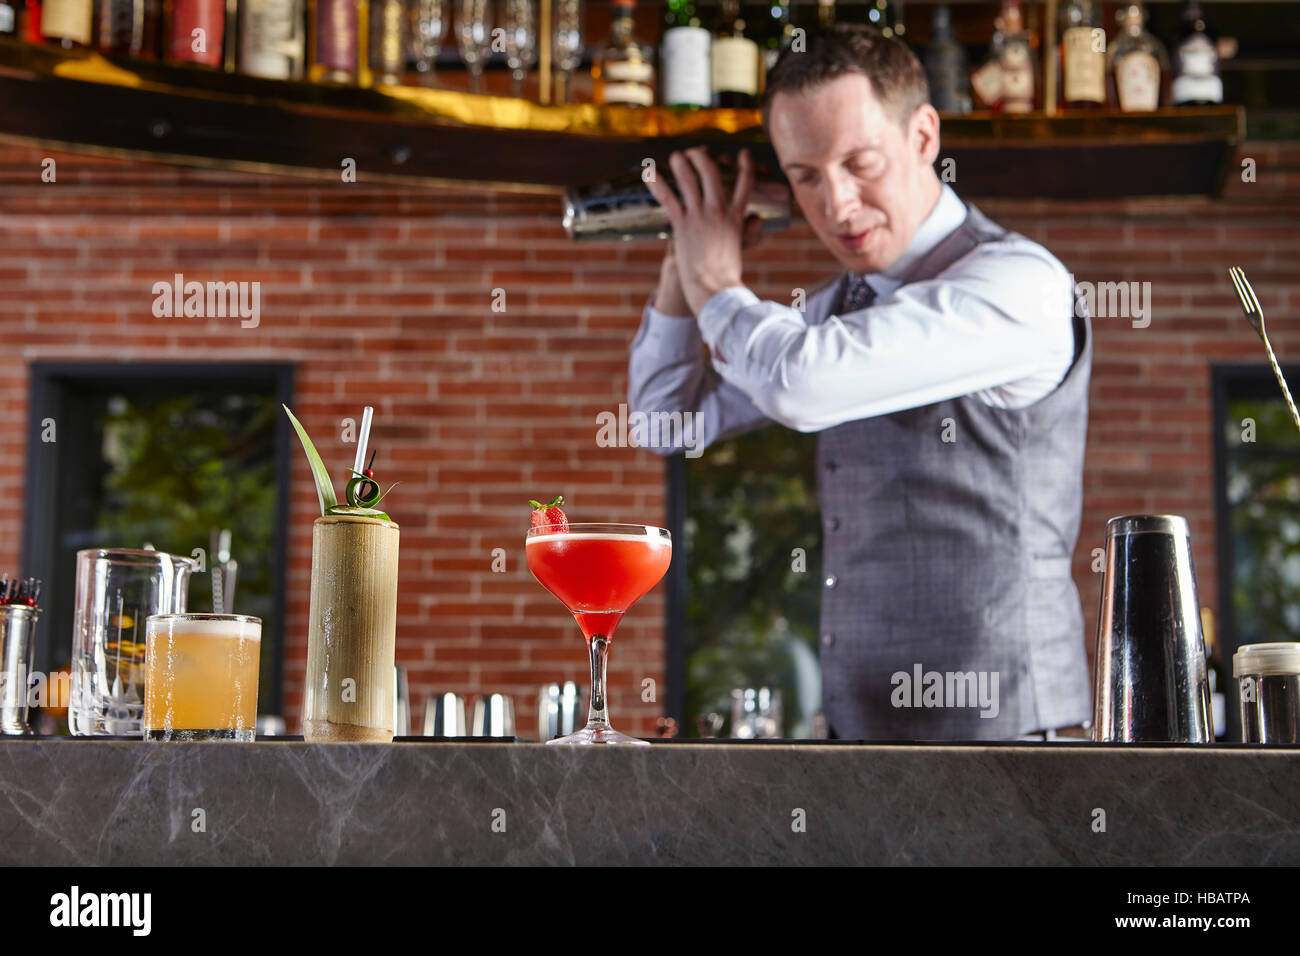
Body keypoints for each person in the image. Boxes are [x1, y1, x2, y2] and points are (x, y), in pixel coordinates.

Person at [627, 24, 1092, 741]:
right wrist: (683, 268)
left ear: (924, 137)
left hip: (1006, 739)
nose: (837, 205)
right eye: (806, 175)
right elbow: (661, 421)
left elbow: (800, 384)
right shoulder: (829, 314)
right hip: (857, 738)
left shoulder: (1018, 284)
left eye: (860, 162)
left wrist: (717, 281)